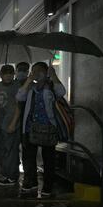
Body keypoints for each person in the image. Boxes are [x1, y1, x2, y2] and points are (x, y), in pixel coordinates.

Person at [16, 62, 66, 198]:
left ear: (46, 72)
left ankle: (48, 187)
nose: (36, 72)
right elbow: (19, 97)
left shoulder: (50, 86)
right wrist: (28, 80)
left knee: (49, 159)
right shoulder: (30, 87)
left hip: (48, 128)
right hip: (30, 128)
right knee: (28, 158)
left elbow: (61, 92)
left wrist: (54, 76)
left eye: (39, 70)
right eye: (34, 70)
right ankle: (30, 182)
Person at [0, 65, 21, 186]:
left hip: (11, 124)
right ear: (1, 75)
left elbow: (19, 106)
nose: (8, 75)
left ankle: (11, 176)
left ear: (13, 75)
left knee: (11, 151)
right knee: (0, 150)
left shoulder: (17, 86)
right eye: (5, 73)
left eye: (10, 73)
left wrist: (13, 123)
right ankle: (4, 173)